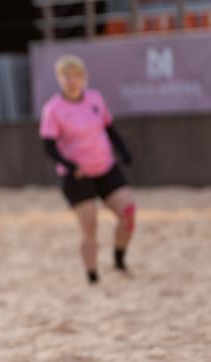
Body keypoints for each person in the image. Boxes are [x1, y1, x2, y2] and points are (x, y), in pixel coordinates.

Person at [39, 54, 137, 284]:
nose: (71, 81)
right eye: (66, 76)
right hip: (78, 175)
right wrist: (70, 165)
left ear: (84, 78)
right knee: (90, 226)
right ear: (59, 79)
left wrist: (124, 151)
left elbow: (109, 128)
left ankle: (119, 258)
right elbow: (49, 147)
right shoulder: (53, 109)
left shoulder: (95, 99)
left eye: (76, 76)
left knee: (128, 212)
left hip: (105, 167)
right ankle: (92, 275)